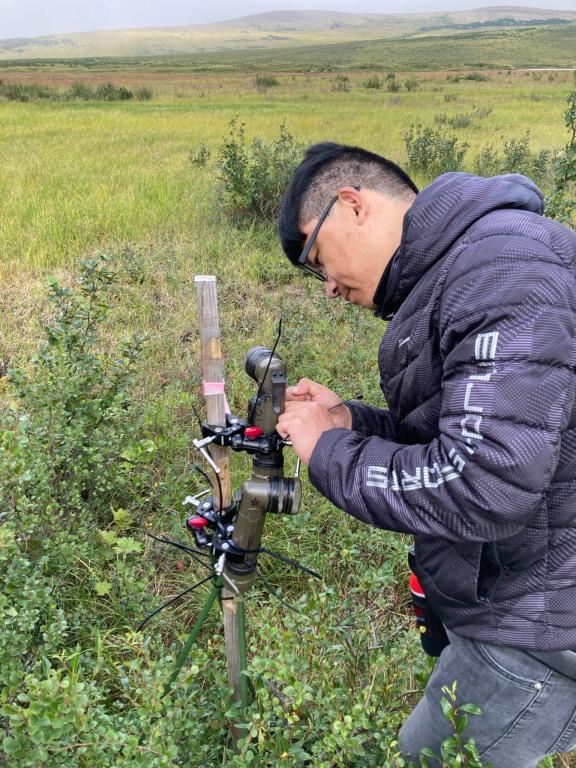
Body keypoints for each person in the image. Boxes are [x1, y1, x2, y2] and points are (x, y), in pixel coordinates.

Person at [274, 142, 576, 767]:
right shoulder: (470, 266)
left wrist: (329, 451)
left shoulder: (503, 271)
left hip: (543, 620)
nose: (327, 285)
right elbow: (471, 436)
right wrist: (349, 420)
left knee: (429, 756)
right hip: (522, 582)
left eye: (315, 257)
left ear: (351, 205)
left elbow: (484, 483)